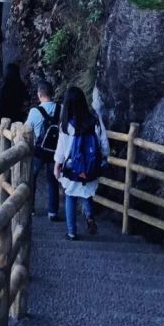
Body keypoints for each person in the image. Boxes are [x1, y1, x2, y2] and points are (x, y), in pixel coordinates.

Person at [54, 85, 109, 240]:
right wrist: (104, 158)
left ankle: (72, 232)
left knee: (70, 196)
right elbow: (103, 142)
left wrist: (57, 166)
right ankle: (89, 216)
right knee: (86, 194)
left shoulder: (66, 125)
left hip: (73, 168)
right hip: (91, 167)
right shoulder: (95, 120)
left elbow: (61, 149)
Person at [25, 79, 61, 220]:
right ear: (52, 94)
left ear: (40, 95)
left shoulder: (35, 111)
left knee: (32, 178)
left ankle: (31, 208)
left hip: (39, 150)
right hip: (56, 150)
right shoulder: (61, 108)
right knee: (52, 180)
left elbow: (27, 129)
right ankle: (53, 212)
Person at [0, 63, 28, 153]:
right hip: (17, 117)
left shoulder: (5, 88)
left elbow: (1, 106)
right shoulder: (21, 86)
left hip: (4, 117)